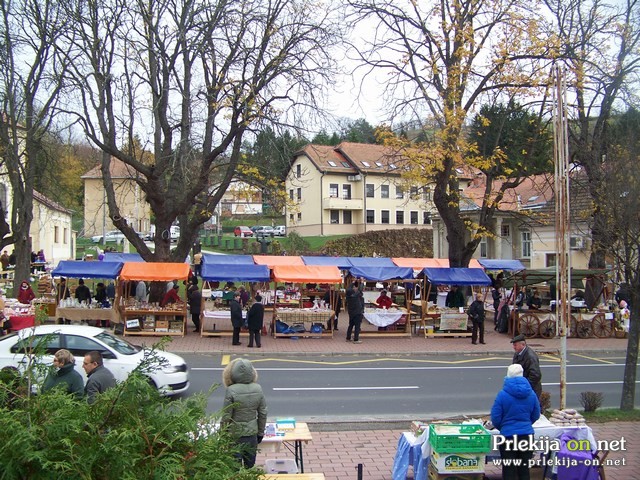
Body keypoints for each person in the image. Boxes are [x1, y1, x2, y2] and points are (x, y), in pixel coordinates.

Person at [491, 363, 541, 480]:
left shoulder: (502, 395)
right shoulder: (531, 394)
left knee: (509, 470)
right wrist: (527, 424)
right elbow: (536, 414)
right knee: (524, 469)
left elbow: (495, 417)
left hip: (508, 436)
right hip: (527, 435)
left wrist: (503, 427)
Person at [221, 358, 267, 469]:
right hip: (252, 434)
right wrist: (260, 433)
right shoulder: (258, 388)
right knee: (249, 467)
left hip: (235, 435)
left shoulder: (231, 390)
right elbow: (263, 413)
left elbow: (226, 416)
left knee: (234, 468)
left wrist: (222, 434)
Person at [511, 334, 542, 400]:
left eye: (515, 345)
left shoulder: (530, 357)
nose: (513, 347)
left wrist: (524, 387)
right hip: (522, 388)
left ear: (523, 344)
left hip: (531, 390)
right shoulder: (518, 353)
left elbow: (535, 375)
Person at [345, 279, 364, 344]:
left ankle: (348, 338)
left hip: (351, 312)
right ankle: (356, 339)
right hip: (357, 312)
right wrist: (362, 282)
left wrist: (353, 282)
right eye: (354, 288)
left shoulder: (348, 296)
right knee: (357, 326)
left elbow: (348, 289)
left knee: (350, 325)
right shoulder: (355, 295)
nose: (355, 288)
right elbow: (360, 290)